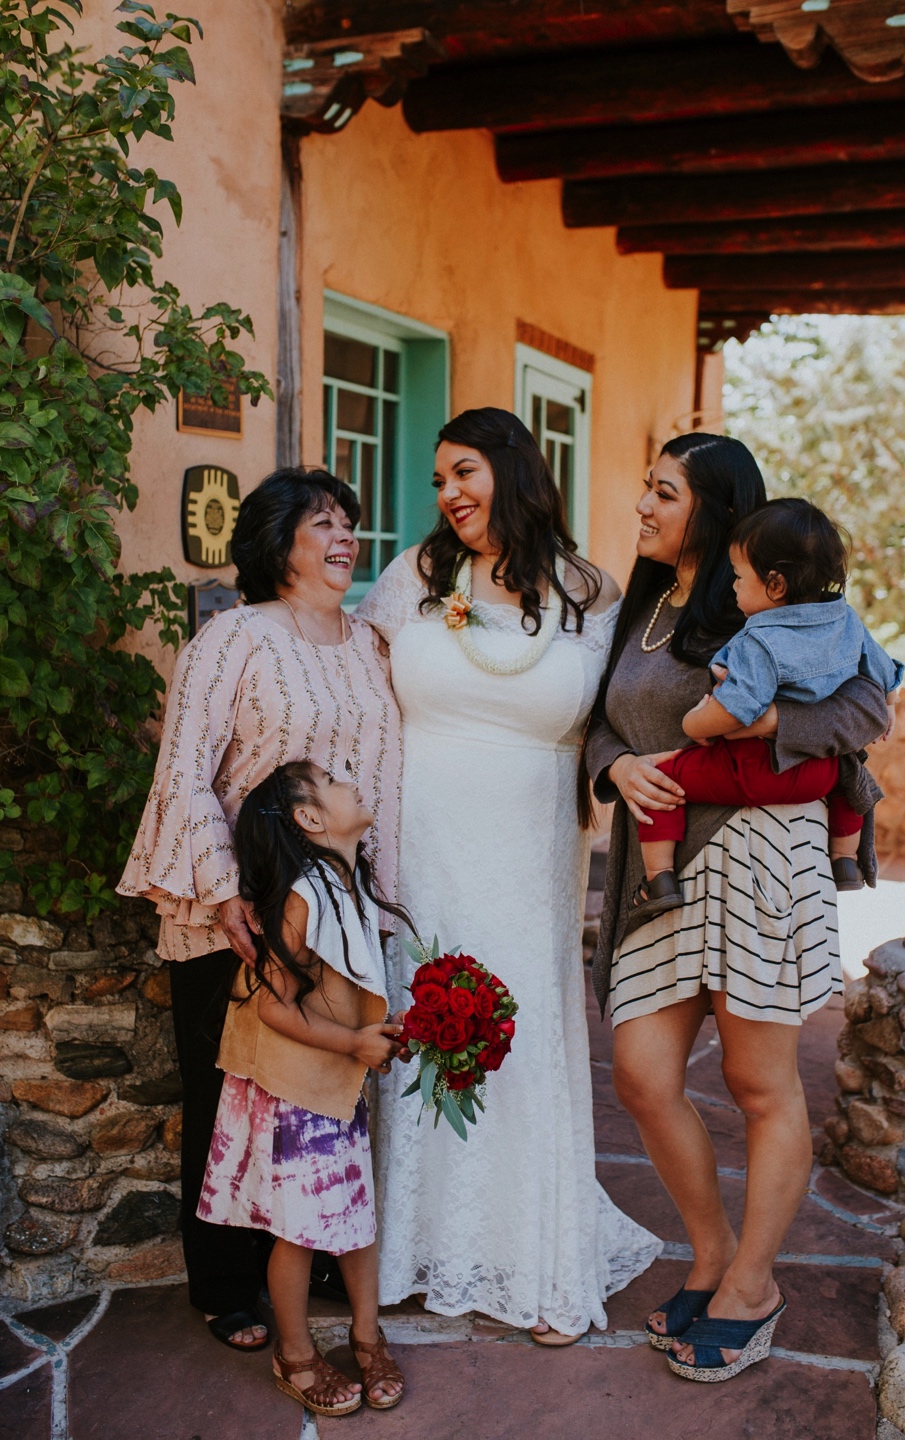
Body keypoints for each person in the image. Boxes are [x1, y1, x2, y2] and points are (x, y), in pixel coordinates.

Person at [583, 433, 890, 1383]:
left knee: (762, 1086)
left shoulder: (770, 603)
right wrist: (614, 765)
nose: (642, 505)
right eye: (646, 488)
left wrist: (764, 722)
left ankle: (750, 1281)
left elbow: (869, 708)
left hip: (756, 853)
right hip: (658, 863)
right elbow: (604, 719)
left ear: (713, 511)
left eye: (663, 492)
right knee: (641, 1071)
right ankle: (712, 1253)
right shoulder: (643, 605)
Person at [358, 406, 662, 1345]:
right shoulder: (414, 578)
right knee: (419, 1022)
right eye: (440, 478)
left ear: (512, 471)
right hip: (423, 840)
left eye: (464, 473)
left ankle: (538, 1256)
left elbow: (624, 715)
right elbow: (361, 697)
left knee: (523, 1035)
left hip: (530, 849)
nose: (448, 493)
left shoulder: (593, 593)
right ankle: (414, 1244)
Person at [118, 469, 401, 1352]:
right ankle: (228, 1284)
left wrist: (382, 906)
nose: (345, 534)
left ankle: (310, 1251)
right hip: (235, 910)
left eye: (349, 520)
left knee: (327, 1091)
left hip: (339, 923)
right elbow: (186, 771)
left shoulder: (373, 645)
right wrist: (224, 892)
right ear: (279, 541)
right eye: (324, 521)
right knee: (232, 1097)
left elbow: (384, 785)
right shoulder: (233, 637)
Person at [198, 760, 405, 1415]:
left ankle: (366, 1336)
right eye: (341, 781)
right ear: (311, 819)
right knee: (298, 1231)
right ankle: (294, 1354)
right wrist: (354, 1044)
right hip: (293, 1092)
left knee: (355, 1217)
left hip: (331, 1089)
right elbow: (274, 1007)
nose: (356, 782)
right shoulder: (305, 894)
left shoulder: (346, 884)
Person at [635, 497, 903, 915]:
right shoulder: (847, 620)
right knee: (852, 775)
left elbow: (738, 710)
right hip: (817, 774)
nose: (734, 586)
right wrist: (888, 705)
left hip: (756, 772)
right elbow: (884, 670)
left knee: (660, 781)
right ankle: (845, 862)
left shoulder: (757, 639)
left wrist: (695, 724)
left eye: (740, 577)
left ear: (775, 585)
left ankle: (659, 879)